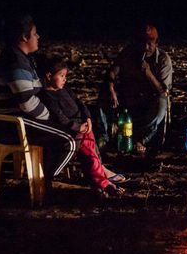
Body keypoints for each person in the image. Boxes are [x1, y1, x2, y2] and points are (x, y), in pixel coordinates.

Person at [0, 14, 77, 199]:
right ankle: (43, 181)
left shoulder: (22, 58)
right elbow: (27, 103)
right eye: (34, 33)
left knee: (67, 129)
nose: (38, 37)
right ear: (24, 37)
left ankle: (43, 178)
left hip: (17, 116)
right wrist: (52, 116)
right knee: (69, 140)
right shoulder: (15, 61)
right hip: (11, 124)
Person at [37, 56, 125, 197]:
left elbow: (79, 102)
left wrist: (87, 117)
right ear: (48, 76)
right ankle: (102, 182)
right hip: (74, 128)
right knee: (90, 153)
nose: (65, 79)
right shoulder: (47, 95)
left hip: (83, 124)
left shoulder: (65, 88)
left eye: (65, 76)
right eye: (61, 76)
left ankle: (99, 182)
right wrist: (77, 127)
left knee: (91, 153)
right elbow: (59, 116)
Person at [97, 24, 172, 154]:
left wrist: (148, 73)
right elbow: (112, 73)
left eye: (149, 43)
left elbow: (162, 90)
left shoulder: (163, 60)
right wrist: (111, 88)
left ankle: (142, 139)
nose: (145, 47)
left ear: (156, 43)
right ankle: (105, 137)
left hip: (149, 100)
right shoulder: (128, 53)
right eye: (142, 43)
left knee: (162, 101)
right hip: (128, 97)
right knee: (105, 93)